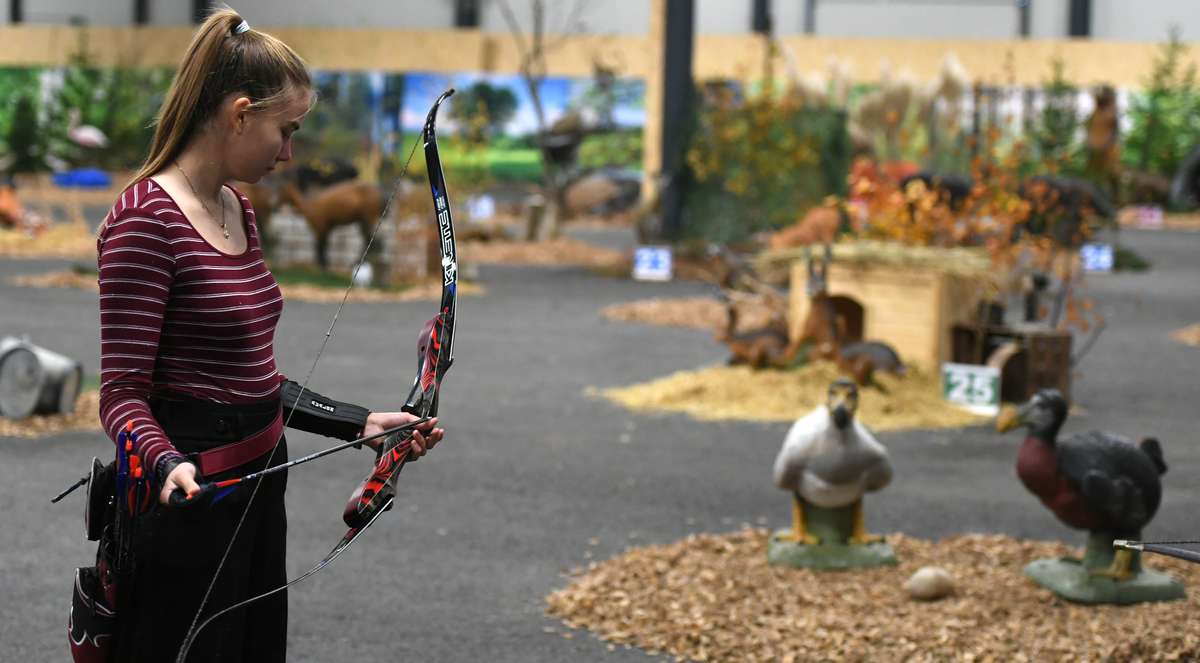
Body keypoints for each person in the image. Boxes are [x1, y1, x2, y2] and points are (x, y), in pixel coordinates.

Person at [95, 9, 444, 661]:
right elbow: (119, 395)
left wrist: (358, 423)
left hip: (258, 492)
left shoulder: (237, 210)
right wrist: (165, 461)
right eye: (286, 131)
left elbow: (251, 380)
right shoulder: (145, 220)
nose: (289, 153)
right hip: (186, 504)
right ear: (237, 114)